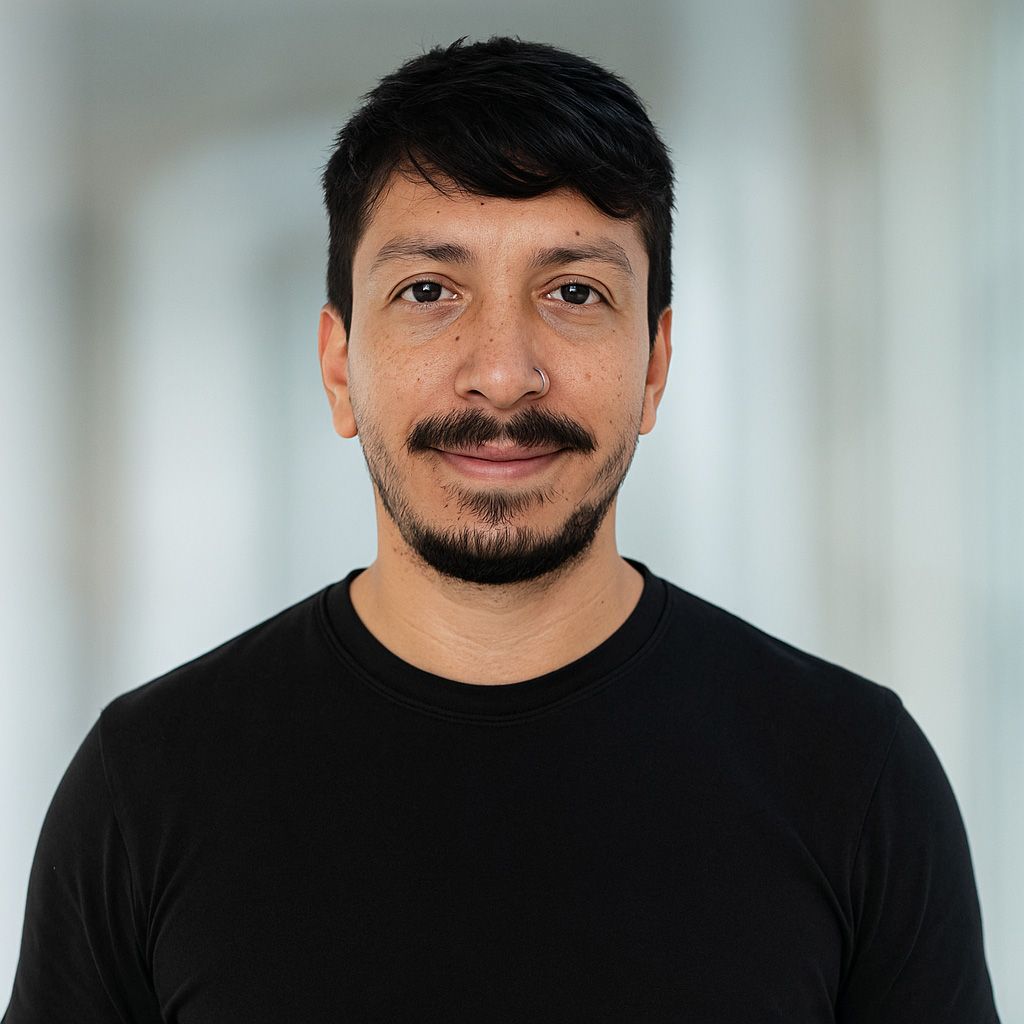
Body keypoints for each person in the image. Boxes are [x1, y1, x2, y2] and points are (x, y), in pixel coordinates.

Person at [3, 36, 1001, 1024]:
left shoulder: (853, 776)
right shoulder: (146, 788)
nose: (502, 371)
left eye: (574, 292)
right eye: (428, 292)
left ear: (653, 365)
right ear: (338, 364)